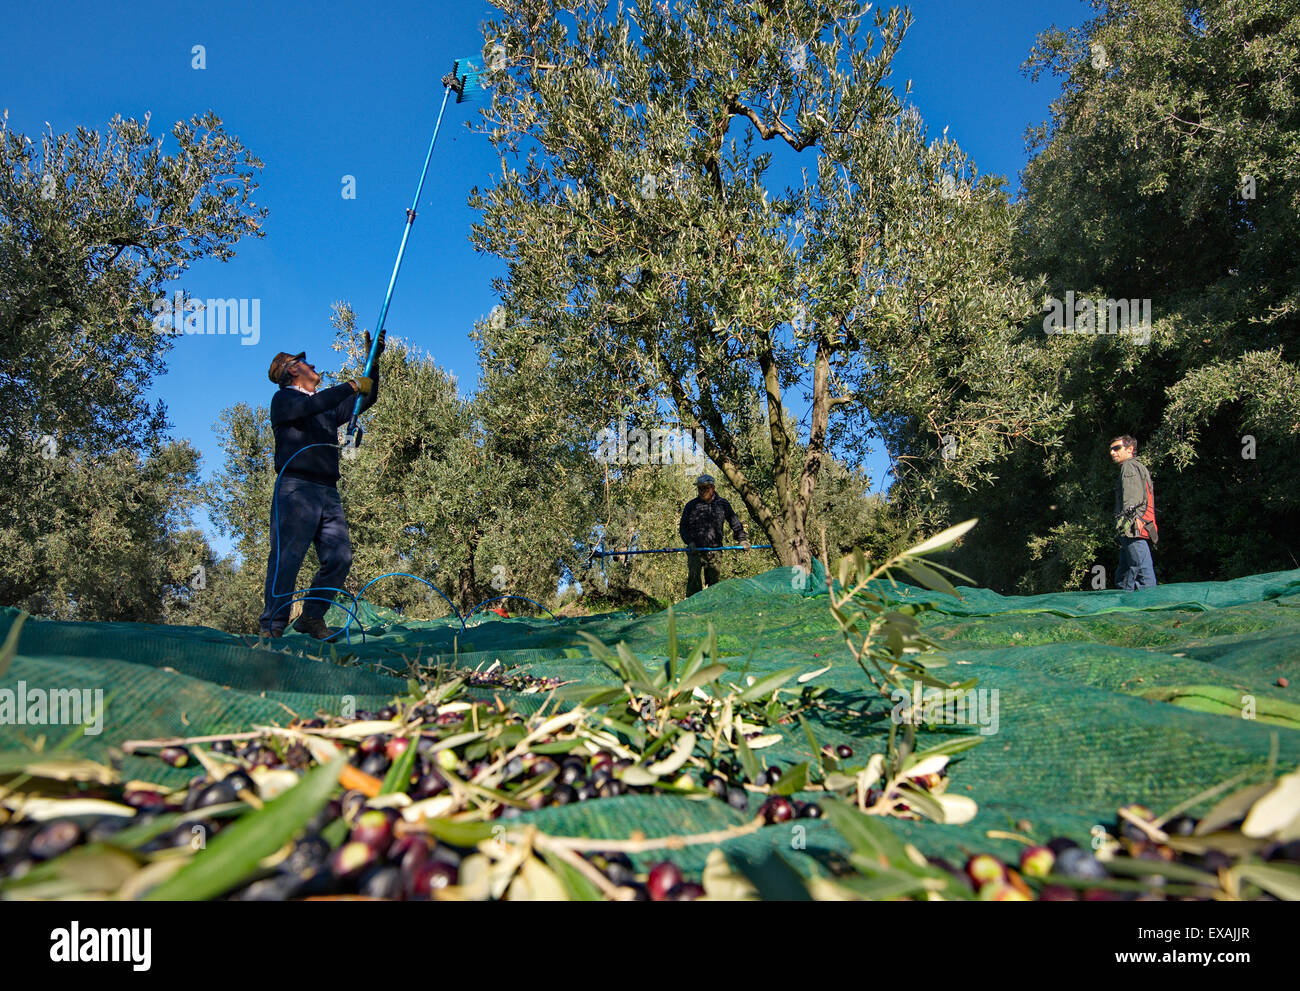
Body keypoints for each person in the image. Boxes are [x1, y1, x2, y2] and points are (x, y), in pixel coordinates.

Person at [258, 332, 384, 638]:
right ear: (292, 369)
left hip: (328, 491)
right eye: (304, 361)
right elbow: (317, 405)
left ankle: (311, 616)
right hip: (295, 488)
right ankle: (272, 626)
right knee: (287, 557)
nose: (312, 364)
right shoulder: (284, 400)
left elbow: (366, 398)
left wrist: (374, 361)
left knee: (340, 557)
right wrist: (351, 385)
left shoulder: (325, 406)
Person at [679, 474, 750, 597]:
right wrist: (690, 542)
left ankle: (713, 609)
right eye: (700, 488)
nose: (702, 491)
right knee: (694, 581)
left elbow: (735, 523)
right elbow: (683, 527)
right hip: (695, 550)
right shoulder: (691, 505)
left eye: (705, 488)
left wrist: (742, 540)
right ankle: (692, 610)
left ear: (713, 488)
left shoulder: (723, 504)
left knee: (714, 584)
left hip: (715, 550)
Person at [1110, 434, 1157, 590]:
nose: (1112, 452)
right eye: (1111, 449)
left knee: (1144, 575)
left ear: (1130, 449)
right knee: (1124, 576)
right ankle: (1122, 610)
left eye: (1117, 448)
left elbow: (1133, 499)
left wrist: (1133, 519)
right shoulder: (1137, 466)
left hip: (1133, 529)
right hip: (1131, 530)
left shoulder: (1129, 466)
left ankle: (1150, 609)